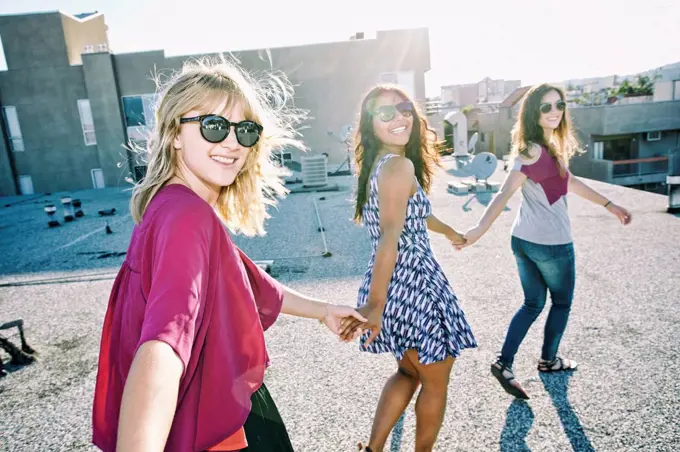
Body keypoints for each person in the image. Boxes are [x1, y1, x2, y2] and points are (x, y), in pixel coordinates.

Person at [91, 57, 365, 452]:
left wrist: (323, 310)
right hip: (218, 428)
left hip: (215, 412)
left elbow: (250, 282)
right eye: (214, 126)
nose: (232, 142)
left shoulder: (170, 206)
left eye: (246, 130)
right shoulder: (187, 217)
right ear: (174, 133)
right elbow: (164, 343)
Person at [457, 83, 632, 399]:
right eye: (546, 107)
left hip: (523, 240)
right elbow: (504, 192)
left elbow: (570, 182)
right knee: (561, 302)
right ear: (533, 113)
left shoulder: (540, 147)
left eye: (559, 105)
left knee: (533, 303)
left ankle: (504, 362)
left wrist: (608, 204)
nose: (555, 112)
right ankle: (549, 361)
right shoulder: (535, 150)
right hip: (551, 244)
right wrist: (479, 229)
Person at [340, 84, 477, 452]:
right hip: (413, 280)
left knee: (409, 371)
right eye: (386, 113)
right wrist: (376, 306)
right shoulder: (398, 165)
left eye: (403, 109)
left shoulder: (383, 164)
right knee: (436, 378)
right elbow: (390, 236)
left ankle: (372, 450)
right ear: (371, 125)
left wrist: (449, 231)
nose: (399, 118)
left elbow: (414, 214)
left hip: (396, 280)